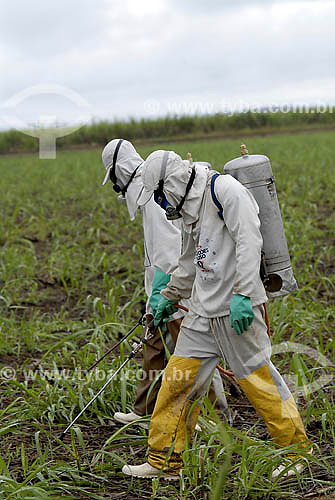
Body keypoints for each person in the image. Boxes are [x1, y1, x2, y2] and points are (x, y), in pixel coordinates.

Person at [121, 149, 311, 481]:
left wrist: (244, 294)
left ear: (173, 183)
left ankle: (297, 453)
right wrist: (169, 295)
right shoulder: (190, 209)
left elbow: (249, 243)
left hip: (236, 308)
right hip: (202, 310)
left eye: (162, 197)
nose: (163, 207)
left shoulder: (225, 192)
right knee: (176, 381)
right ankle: (164, 461)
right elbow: (190, 259)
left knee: (259, 382)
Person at [101, 139, 228, 426]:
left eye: (114, 179)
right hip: (163, 289)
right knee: (153, 346)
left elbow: (172, 251)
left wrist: (163, 294)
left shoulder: (151, 194)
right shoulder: (146, 193)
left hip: (177, 290)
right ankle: (145, 409)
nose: (116, 188)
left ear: (121, 171)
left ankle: (215, 415)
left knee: (195, 352)